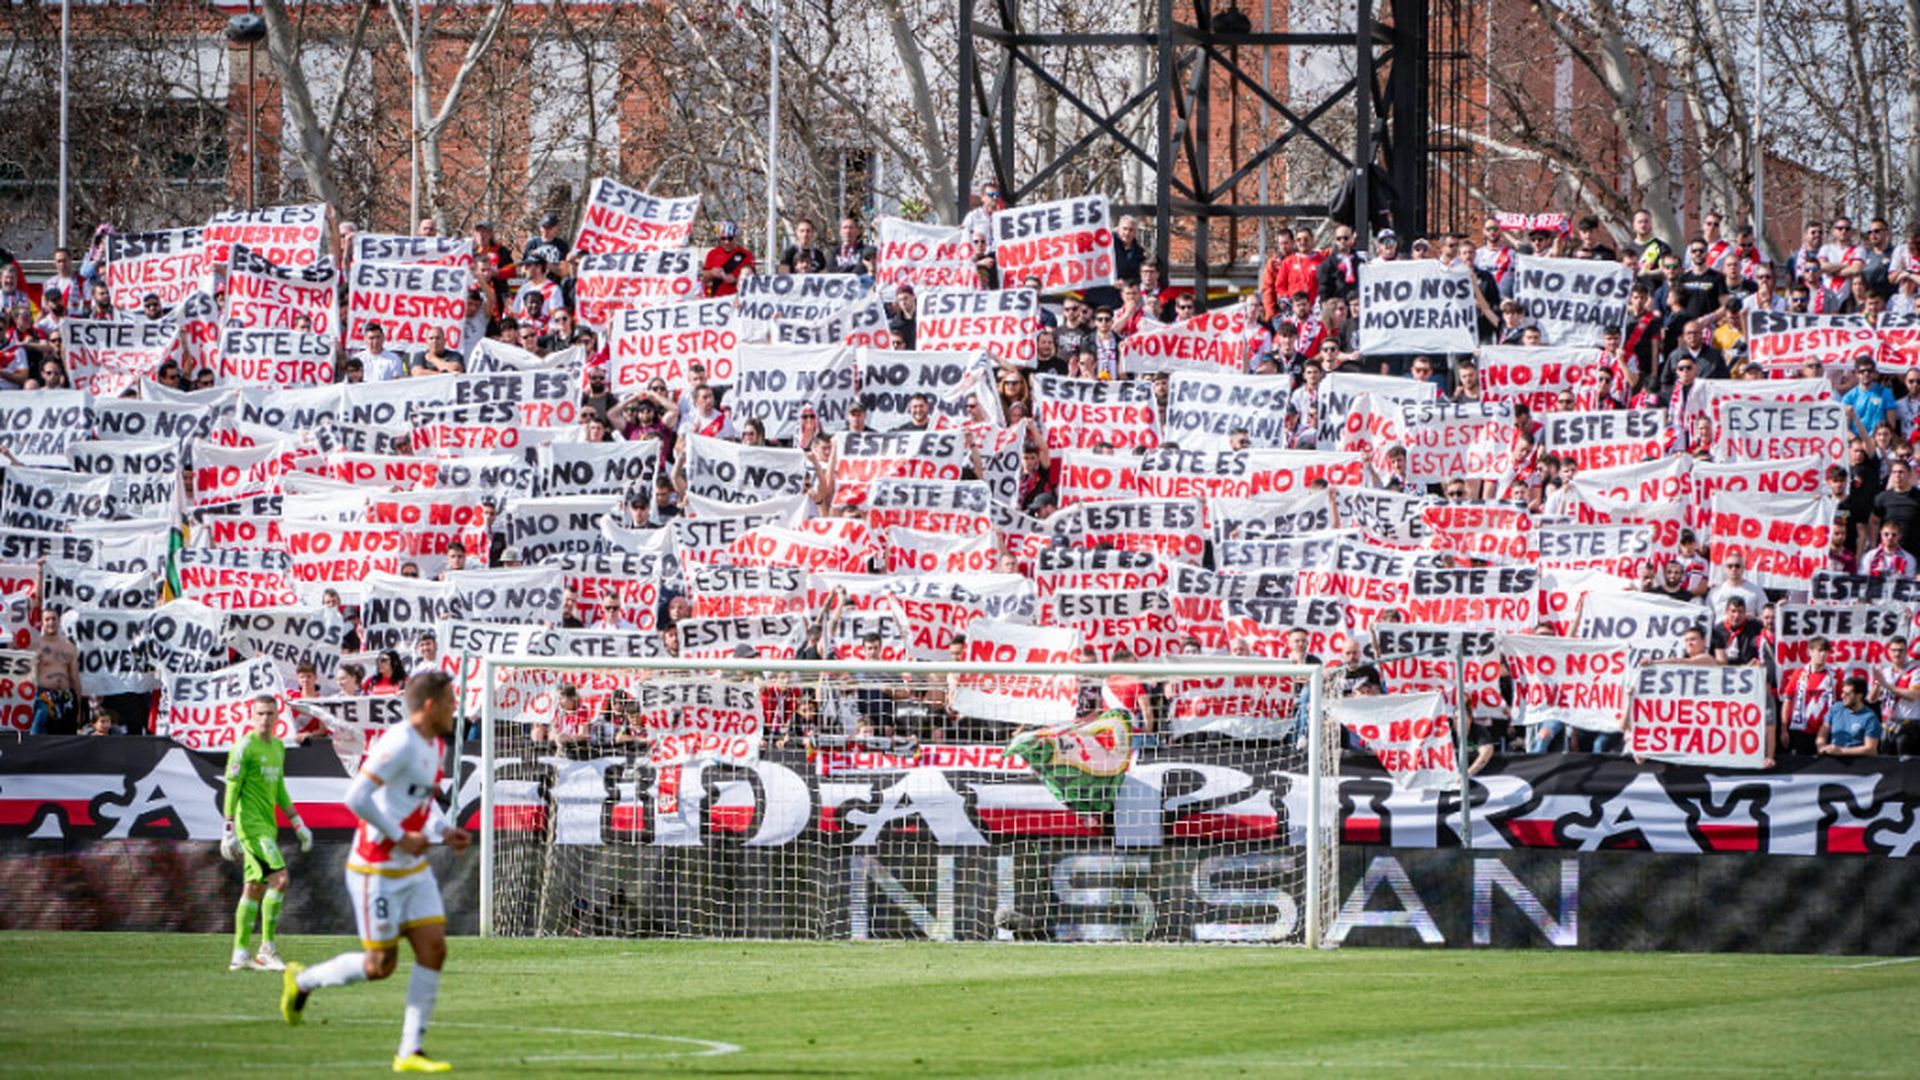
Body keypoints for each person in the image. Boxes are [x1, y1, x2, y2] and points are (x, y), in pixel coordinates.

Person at [281, 670, 470, 1076]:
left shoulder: (435, 745)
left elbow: (422, 804)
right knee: (379, 966)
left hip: (411, 867)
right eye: (452, 702)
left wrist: (442, 831)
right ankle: (303, 981)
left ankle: (410, 1051)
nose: (457, 708)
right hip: (375, 868)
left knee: (434, 949)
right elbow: (357, 797)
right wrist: (400, 837)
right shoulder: (399, 741)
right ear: (431, 706)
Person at [222, 696, 311, 972]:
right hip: (251, 827)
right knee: (280, 880)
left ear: (277, 716)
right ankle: (267, 949)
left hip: (267, 826)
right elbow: (232, 787)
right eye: (260, 713)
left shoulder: (277, 747)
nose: (265, 718)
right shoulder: (244, 747)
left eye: (270, 713)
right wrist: (228, 829)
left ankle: (239, 954)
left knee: (254, 887)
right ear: (252, 715)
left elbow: (279, 788)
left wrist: (296, 821)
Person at [30, 607, 80, 735]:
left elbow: (75, 677)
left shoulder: (69, 647)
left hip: (65, 695)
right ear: (42, 622)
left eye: (54, 619)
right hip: (44, 694)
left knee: (66, 733)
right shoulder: (35, 646)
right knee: (41, 722)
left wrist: (78, 705)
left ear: (59, 621)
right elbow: (27, 675)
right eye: (47, 619)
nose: (51, 622)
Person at [1817, 677, 1880, 757]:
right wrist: (1821, 746)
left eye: (1847, 694)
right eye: (1842, 692)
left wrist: (1841, 751)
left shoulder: (1870, 718)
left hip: (1858, 763)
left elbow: (1871, 749)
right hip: (1832, 760)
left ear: (1859, 695)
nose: (1842, 696)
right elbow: (1823, 732)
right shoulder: (1836, 708)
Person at [702, 221, 754, 297]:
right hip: (715, 298)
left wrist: (735, 279)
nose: (726, 242)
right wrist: (711, 273)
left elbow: (752, 280)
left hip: (736, 298)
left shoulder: (746, 255)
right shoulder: (712, 254)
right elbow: (703, 279)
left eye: (730, 238)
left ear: (735, 237)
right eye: (723, 238)